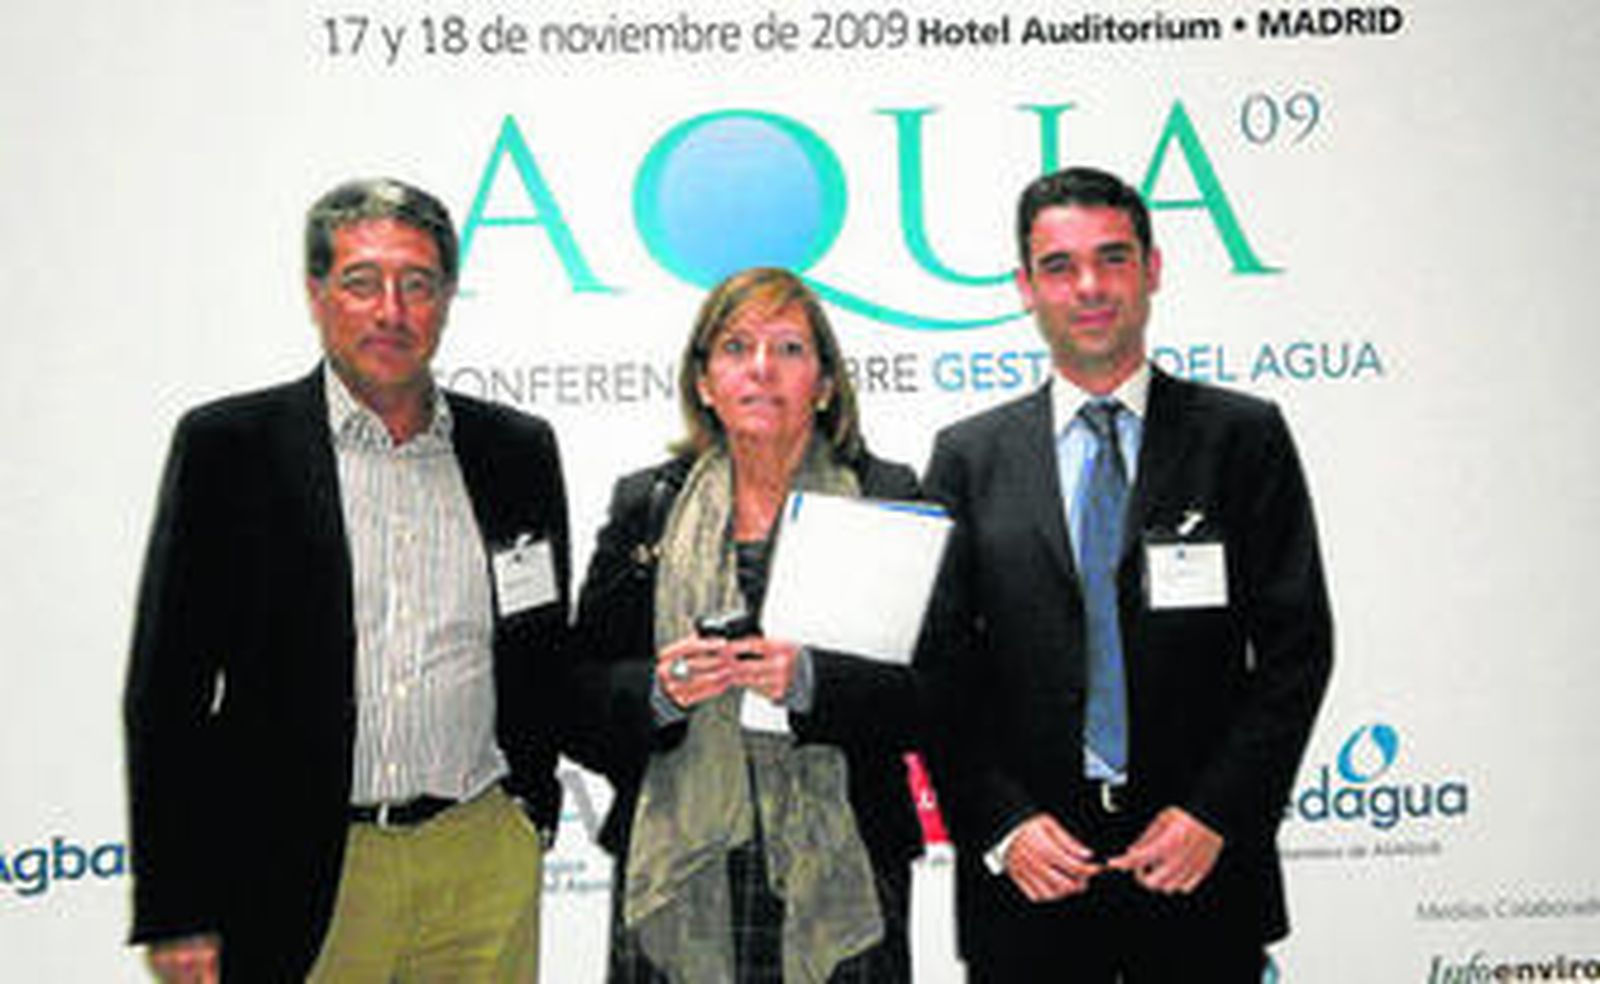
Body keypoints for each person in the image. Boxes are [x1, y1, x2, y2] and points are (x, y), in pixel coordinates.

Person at [123, 177, 570, 982]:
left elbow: (540, 644)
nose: (391, 311)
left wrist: (528, 806)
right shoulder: (231, 448)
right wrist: (178, 904)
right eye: (362, 282)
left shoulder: (517, 450)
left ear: (447, 299)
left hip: (479, 861)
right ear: (317, 293)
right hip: (303, 869)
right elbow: (167, 692)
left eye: (418, 284)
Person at [916, 167, 1333, 981]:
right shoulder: (968, 458)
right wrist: (1004, 825)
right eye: (1059, 266)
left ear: (1153, 270)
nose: (1089, 287)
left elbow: (1297, 649)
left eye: (1112, 258)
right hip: (1033, 882)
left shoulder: (1241, 438)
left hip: (1199, 871)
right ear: (1025, 288)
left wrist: (1217, 813)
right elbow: (937, 673)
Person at [565, 267, 925, 983]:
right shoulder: (649, 506)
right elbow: (576, 693)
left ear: (825, 383)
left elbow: (939, 694)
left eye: (789, 348)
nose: (762, 369)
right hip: (680, 862)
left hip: (844, 861)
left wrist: (814, 683)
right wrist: (660, 692)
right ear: (704, 382)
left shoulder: (886, 496)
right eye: (735, 347)